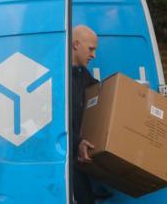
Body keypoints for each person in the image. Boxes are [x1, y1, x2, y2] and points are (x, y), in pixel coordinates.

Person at [71, 25, 99, 204]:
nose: (94, 55)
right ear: (75, 44)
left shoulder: (82, 74)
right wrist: (77, 142)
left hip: (79, 163)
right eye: (91, 49)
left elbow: (102, 92)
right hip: (64, 163)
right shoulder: (58, 75)